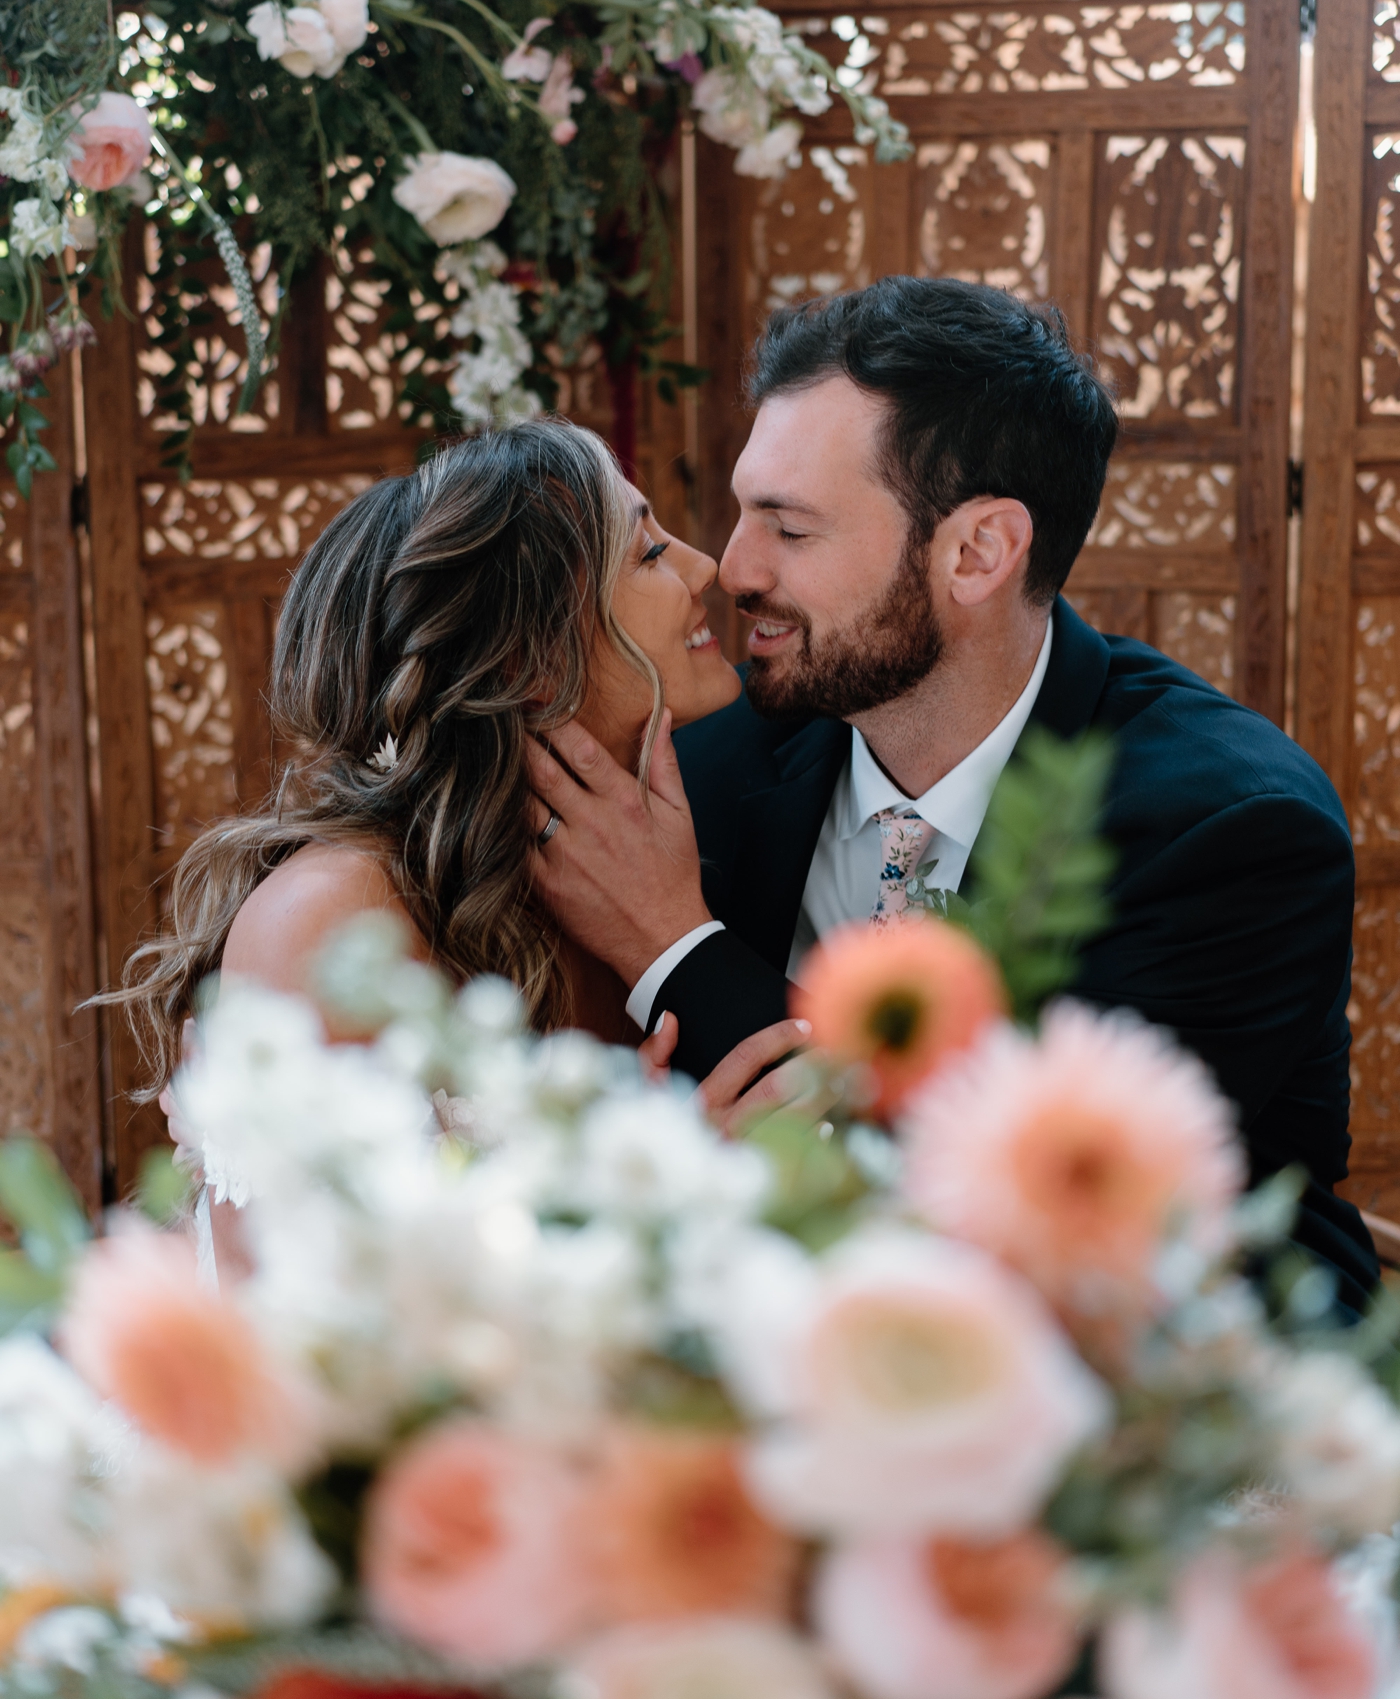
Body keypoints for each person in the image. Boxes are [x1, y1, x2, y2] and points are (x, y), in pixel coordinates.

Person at [527, 278, 1380, 1317]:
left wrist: (674, 947)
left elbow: (1018, 1218)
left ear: (976, 552)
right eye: (743, 513)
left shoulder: (1227, 831)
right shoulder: (710, 763)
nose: (732, 570)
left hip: (1175, 1393)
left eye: (789, 532)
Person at [110, 420, 807, 1114]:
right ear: (528, 657)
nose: (706, 568)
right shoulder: (338, 915)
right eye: (650, 553)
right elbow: (276, 1229)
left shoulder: (680, 843)